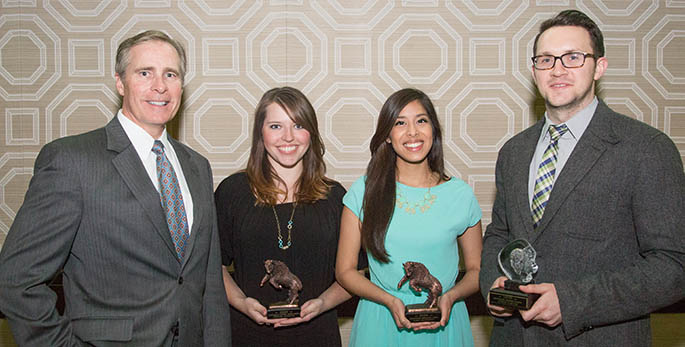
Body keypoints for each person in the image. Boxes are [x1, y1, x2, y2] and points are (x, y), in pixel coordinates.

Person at [0, 30, 231, 346]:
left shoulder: (197, 166)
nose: (159, 86)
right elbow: (15, 281)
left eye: (170, 74)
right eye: (145, 72)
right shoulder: (73, 161)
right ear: (120, 82)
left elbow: (209, 284)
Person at [480, 9, 685, 346]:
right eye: (546, 60)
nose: (557, 69)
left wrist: (573, 301)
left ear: (598, 67)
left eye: (572, 57)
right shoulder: (513, 152)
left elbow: (673, 266)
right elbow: (499, 234)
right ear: (534, 71)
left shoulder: (646, 148)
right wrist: (491, 283)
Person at [336, 88, 483, 346]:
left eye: (421, 121)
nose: (412, 132)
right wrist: (390, 300)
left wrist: (450, 296)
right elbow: (345, 271)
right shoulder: (364, 191)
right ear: (388, 136)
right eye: (400, 123)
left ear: (434, 130)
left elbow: (476, 270)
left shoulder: (460, 194)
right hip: (381, 321)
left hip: (444, 322)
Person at [215, 86, 358, 346]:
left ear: (311, 133)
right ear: (261, 132)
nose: (288, 137)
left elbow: (355, 273)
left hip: (317, 335)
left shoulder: (336, 197)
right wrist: (240, 302)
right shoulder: (232, 192)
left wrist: (323, 303)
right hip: (248, 335)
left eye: (298, 125)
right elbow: (213, 265)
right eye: (276, 127)